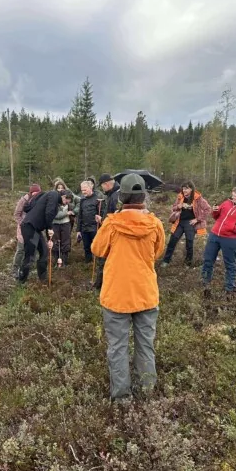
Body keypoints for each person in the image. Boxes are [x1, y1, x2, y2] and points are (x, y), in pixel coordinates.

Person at [91, 173, 165, 403]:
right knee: (145, 344)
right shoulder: (155, 224)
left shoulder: (112, 223)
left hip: (116, 296)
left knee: (118, 347)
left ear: (121, 196)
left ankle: (122, 398)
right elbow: (158, 253)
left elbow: (97, 249)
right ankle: (147, 390)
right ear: (143, 195)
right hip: (146, 294)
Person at [202, 185, 236, 297]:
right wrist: (215, 211)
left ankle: (229, 288)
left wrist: (234, 228)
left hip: (230, 240)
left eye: (235, 195)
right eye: (232, 194)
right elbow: (217, 217)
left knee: (230, 264)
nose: (232, 196)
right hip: (214, 235)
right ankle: (205, 282)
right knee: (208, 260)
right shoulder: (226, 203)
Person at [17, 189, 75, 283]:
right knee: (30, 255)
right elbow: (49, 212)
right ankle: (21, 281)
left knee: (44, 252)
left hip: (37, 229)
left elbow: (42, 211)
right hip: (29, 227)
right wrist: (50, 228)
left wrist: (50, 239)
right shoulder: (53, 195)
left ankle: (43, 279)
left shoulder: (50, 197)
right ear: (64, 196)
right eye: (66, 201)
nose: (65, 204)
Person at [161, 181, 211, 268]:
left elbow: (208, 209)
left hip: (190, 223)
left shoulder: (198, 198)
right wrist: (178, 206)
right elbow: (173, 207)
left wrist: (197, 219)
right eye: (183, 188)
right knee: (172, 241)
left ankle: (188, 263)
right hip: (179, 222)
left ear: (191, 189)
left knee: (189, 243)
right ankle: (166, 261)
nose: (184, 190)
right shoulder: (180, 197)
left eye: (186, 188)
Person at [93, 173, 121, 289]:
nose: (102, 188)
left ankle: (99, 286)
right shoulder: (112, 194)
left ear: (107, 184)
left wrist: (103, 221)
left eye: (102, 186)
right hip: (109, 229)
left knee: (103, 259)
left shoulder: (115, 196)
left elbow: (115, 218)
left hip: (112, 233)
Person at [12, 184, 42, 278]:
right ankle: (15, 269)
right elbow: (16, 215)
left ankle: (26, 269)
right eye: (34, 193)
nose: (35, 195)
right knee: (21, 249)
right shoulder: (23, 200)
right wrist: (22, 224)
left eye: (37, 193)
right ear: (30, 192)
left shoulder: (40, 201)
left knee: (33, 250)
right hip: (23, 229)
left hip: (34, 229)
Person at [51, 177, 80, 266]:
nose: (60, 190)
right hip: (55, 224)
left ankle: (64, 261)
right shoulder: (53, 199)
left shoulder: (69, 198)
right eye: (58, 188)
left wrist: (73, 211)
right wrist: (67, 213)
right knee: (55, 242)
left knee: (66, 242)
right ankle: (56, 260)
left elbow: (79, 201)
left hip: (66, 224)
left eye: (61, 188)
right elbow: (56, 215)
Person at [77, 180, 102, 263]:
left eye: (85, 190)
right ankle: (88, 262)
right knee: (86, 246)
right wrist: (78, 230)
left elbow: (102, 213)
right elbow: (80, 215)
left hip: (95, 228)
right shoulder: (82, 200)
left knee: (96, 246)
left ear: (90, 187)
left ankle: (98, 262)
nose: (83, 192)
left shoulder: (98, 199)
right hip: (84, 228)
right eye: (82, 190)